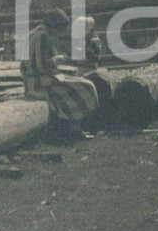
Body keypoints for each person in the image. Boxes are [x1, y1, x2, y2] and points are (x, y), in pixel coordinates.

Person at [20, 9, 99, 137]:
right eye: (61, 29)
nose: (61, 33)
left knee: (79, 82)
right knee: (87, 87)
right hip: (39, 83)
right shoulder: (42, 37)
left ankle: (71, 127)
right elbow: (41, 66)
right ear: (55, 27)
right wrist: (59, 59)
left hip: (37, 79)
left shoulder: (35, 33)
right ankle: (74, 129)